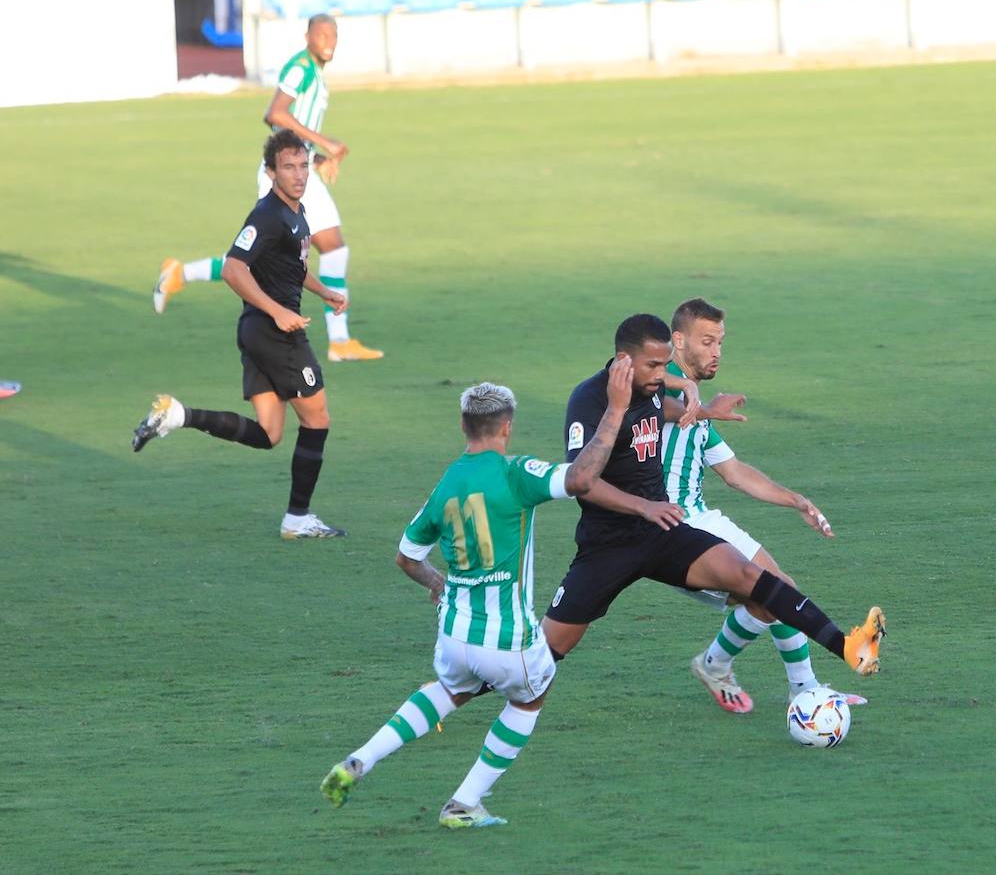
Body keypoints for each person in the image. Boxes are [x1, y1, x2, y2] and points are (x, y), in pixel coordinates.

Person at [321, 364, 633, 829]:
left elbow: (407, 557)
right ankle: (465, 802)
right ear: (506, 427)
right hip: (508, 637)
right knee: (532, 696)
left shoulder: (446, 483)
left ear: (464, 427)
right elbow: (583, 478)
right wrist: (616, 409)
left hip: (453, 634)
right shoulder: (516, 473)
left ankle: (359, 760)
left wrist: (437, 583)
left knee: (450, 691)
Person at [541, 313, 886, 679]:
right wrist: (643, 503)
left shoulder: (652, 389)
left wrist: (705, 411)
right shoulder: (589, 399)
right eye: (654, 365)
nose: (661, 375)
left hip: (662, 532)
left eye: (664, 365)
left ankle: (847, 647)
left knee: (754, 577)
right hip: (608, 545)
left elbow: (668, 412)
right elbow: (581, 481)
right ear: (624, 361)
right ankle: (474, 684)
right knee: (542, 659)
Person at [132, 131, 348, 540]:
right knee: (317, 419)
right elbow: (233, 268)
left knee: (269, 434)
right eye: (289, 167)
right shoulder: (267, 215)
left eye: (304, 165)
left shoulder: (296, 212)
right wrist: (279, 311)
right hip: (273, 333)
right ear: (270, 172)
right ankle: (298, 519)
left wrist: (324, 293)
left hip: (259, 331)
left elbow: (293, 266)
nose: (299, 174)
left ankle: (178, 415)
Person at [657, 298, 857, 714]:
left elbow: (734, 472)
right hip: (674, 526)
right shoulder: (661, 386)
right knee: (778, 591)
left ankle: (717, 665)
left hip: (699, 516)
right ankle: (802, 691)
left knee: (770, 597)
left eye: (721, 342)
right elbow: (657, 408)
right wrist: (703, 409)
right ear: (678, 341)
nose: (716, 352)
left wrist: (795, 500)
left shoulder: (697, 408)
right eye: (707, 341)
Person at [153, 14, 383, 363]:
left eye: (334, 35)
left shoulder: (315, 71)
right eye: (322, 34)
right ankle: (181, 272)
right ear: (308, 37)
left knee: (331, 249)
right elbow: (275, 113)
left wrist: (316, 157)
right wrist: (323, 143)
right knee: (265, 257)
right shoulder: (300, 68)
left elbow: (290, 130)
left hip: (300, 170)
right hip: (283, 175)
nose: (329, 41)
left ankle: (340, 341)